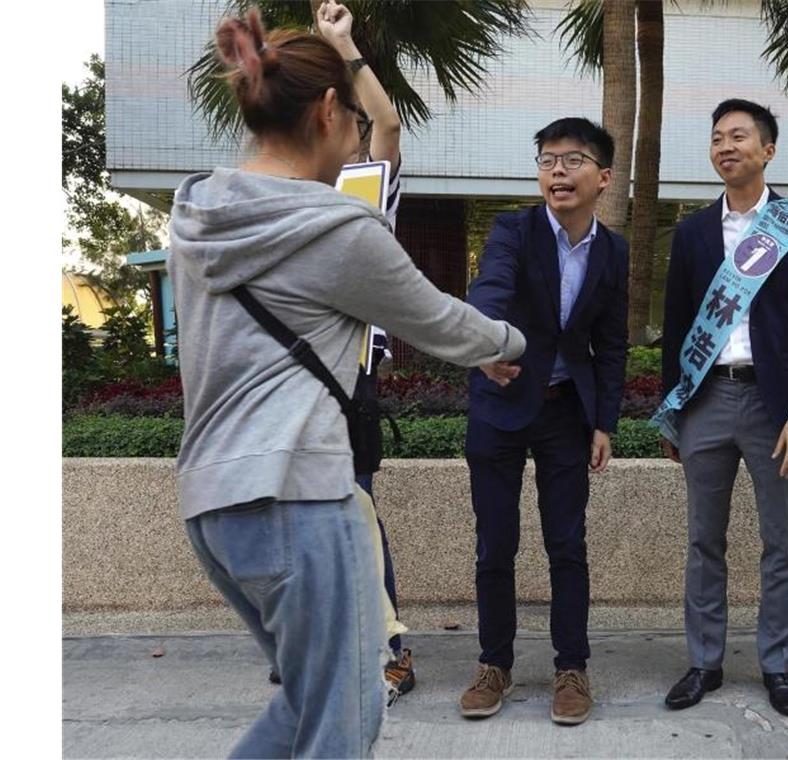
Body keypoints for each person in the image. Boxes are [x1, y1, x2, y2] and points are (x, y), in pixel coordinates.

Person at [168, 6, 525, 756]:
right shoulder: (335, 229)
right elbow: (440, 322)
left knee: (310, 704)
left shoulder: (198, 213)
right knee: (343, 716)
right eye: (356, 126)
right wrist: (513, 340)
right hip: (296, 498)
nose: (362, 141)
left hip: (213, 504)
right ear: (329, 112)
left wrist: (342, 46)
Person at [262, 0, 417, 704]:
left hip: (344, 386)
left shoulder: (361, 191)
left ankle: (388, 651)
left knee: (356, 517)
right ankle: (307, 646)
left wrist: (343, 43)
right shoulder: (265, 199)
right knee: (291, 524)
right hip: (275, 393)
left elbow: (387, 122)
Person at [659, 99, 788, 717]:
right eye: (716, 138)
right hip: (707, 401)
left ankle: (777, 664)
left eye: (739, 136)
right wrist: (672, 409)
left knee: (781, 542)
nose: (725, 146)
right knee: (704, 540)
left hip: (773, 405)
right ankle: (704, 660)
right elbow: (679, 324)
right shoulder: (692, 232)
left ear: (768, 150)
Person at [459, 118, 629, 726]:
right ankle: (494, 663)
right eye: (547, 159)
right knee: (495, 544)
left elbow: (611, 344)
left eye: (574, 159)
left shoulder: (613, 251)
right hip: (499, 402)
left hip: (565, 412)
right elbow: (491, 289)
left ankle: (572, 668)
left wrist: (604, 421)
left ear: (603, 177)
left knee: (566, 545)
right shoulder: (513, 231)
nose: (557, 170)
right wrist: (485, 342)